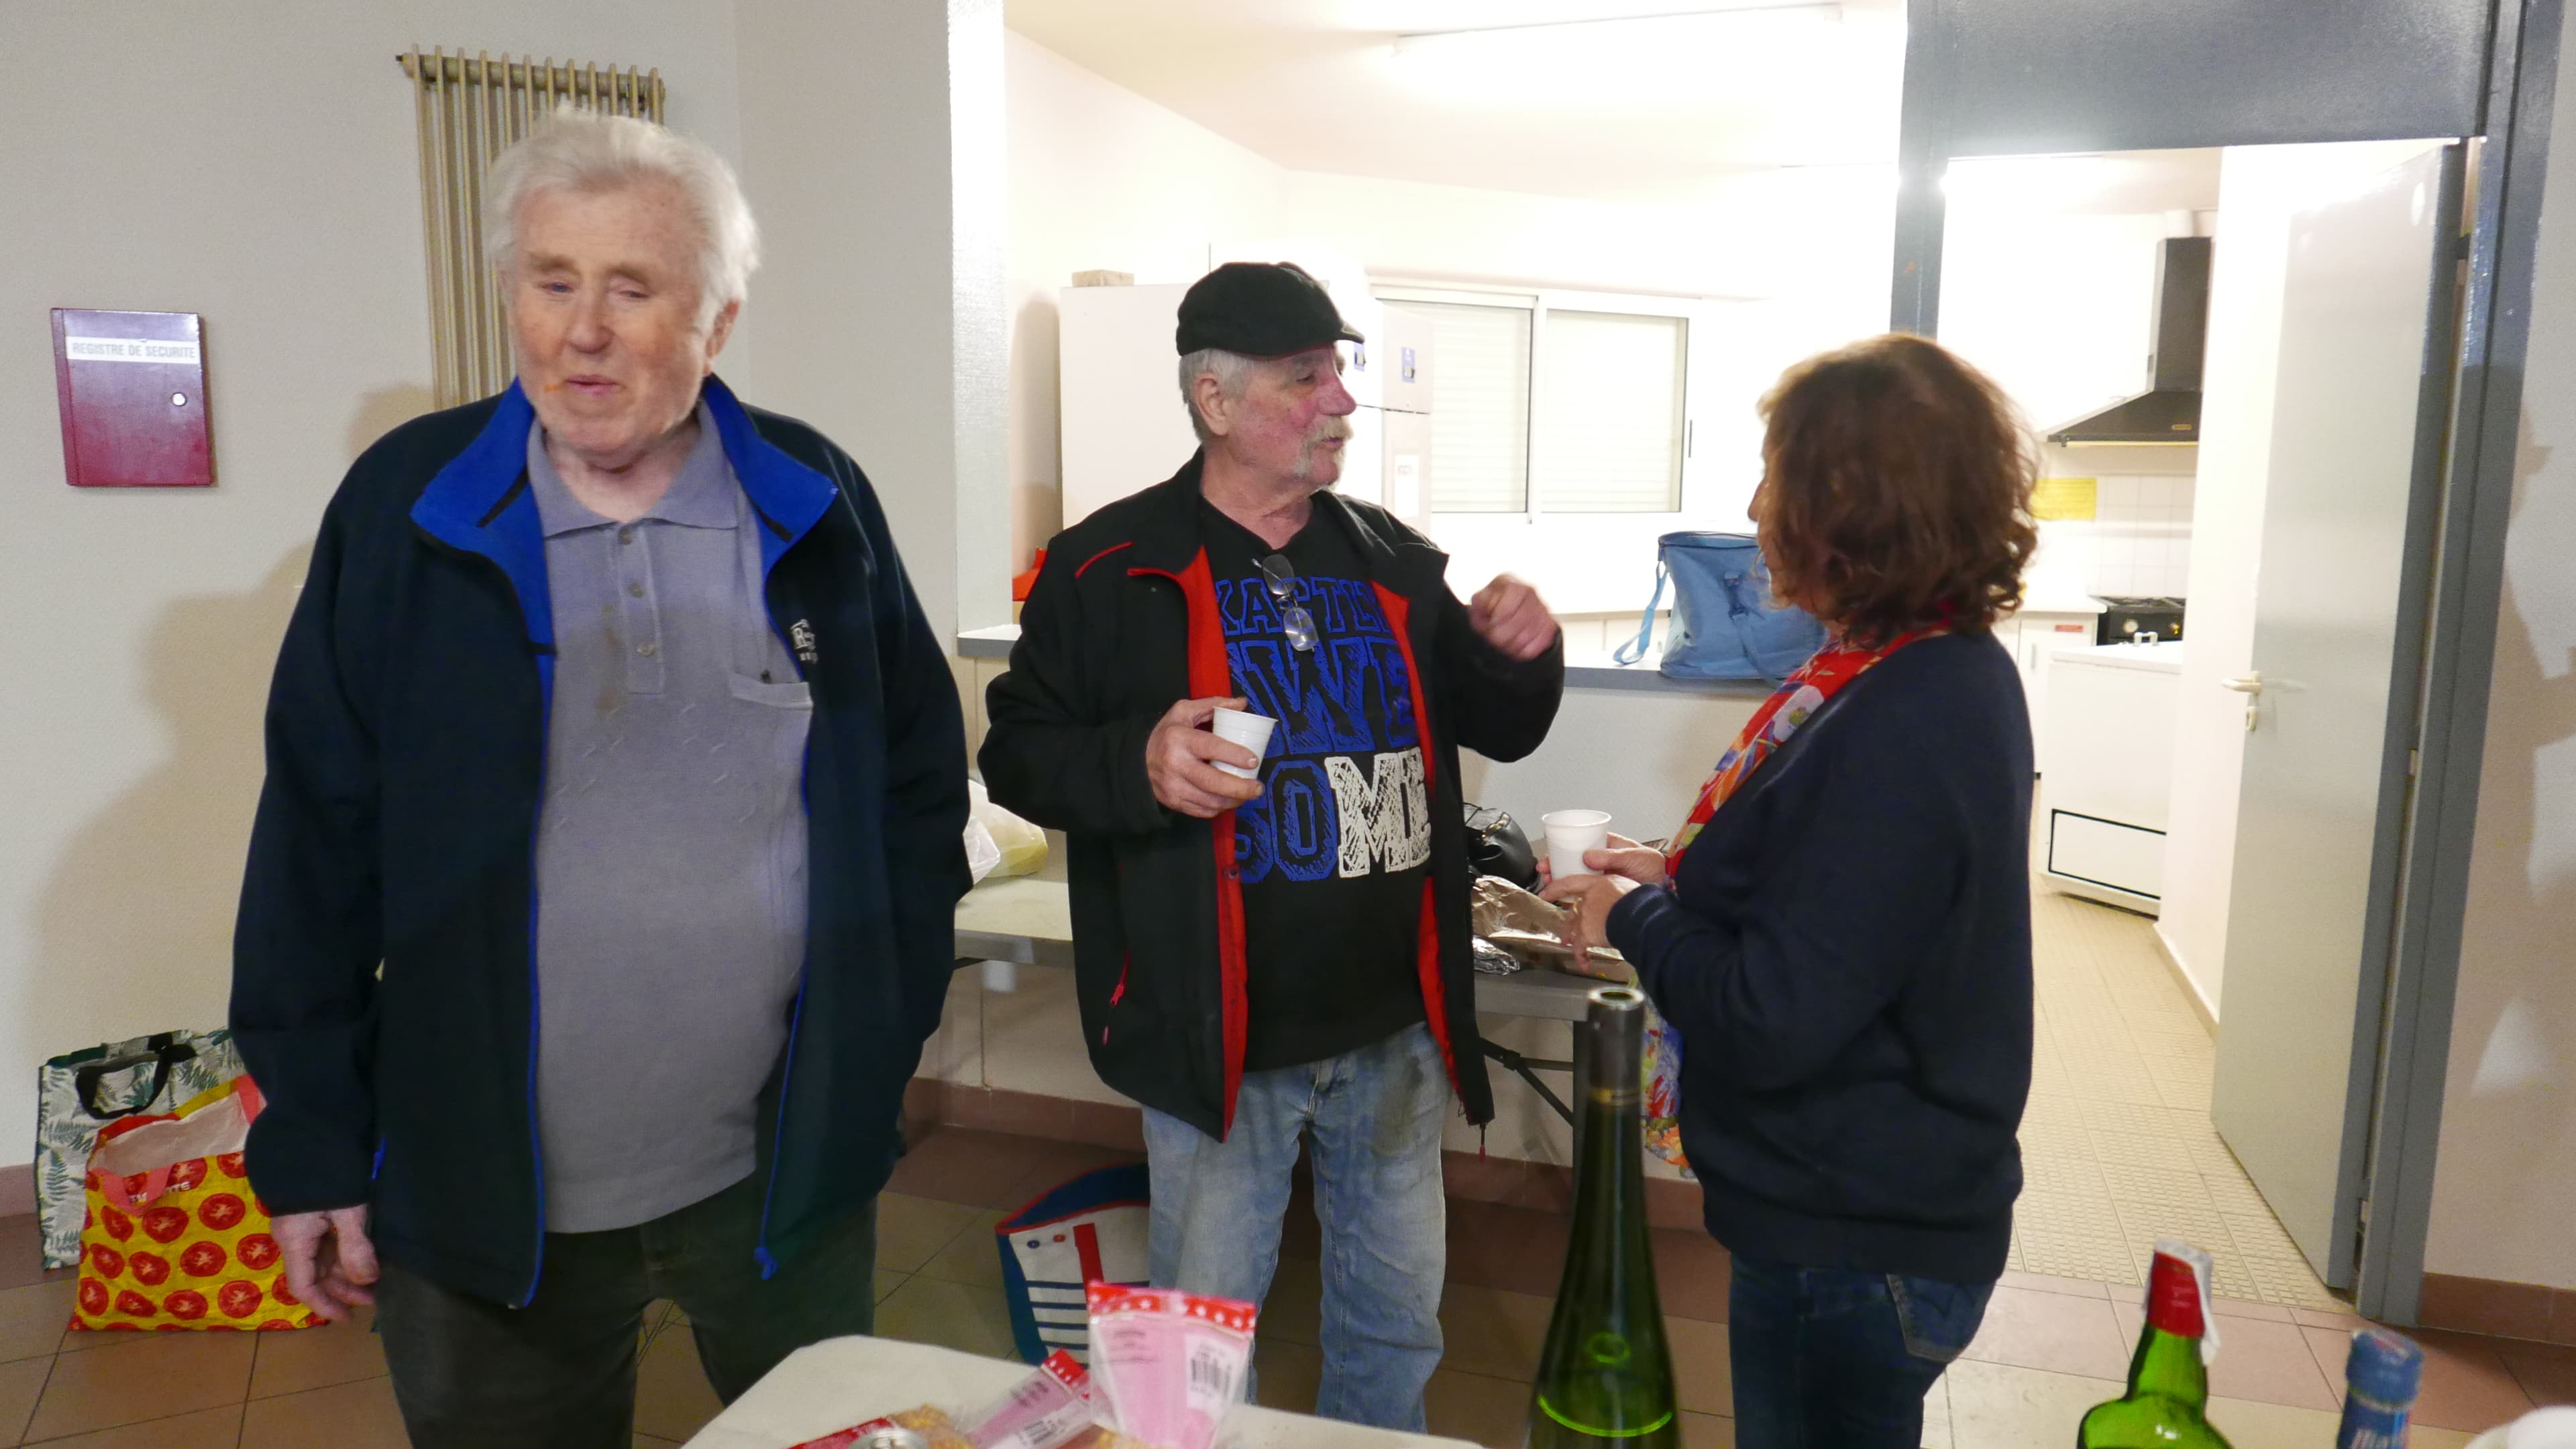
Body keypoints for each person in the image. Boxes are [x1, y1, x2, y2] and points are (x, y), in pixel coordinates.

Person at [229, 109, 969, 1449]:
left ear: (719, 318)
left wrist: (879, 1031)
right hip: (477, 1192)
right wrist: (314, 1143)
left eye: (632, 289)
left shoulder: (816, 498)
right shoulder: (407, 507)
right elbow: (314, 844)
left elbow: (917, 788)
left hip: (779, 1169)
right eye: (551, 280)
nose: (583, 329)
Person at [978, 262, 1565, 1430]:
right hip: (1218, 1041)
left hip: (1396, 1026)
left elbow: (1502, 726)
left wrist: (1518, 653)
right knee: (1197, 1327)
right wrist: (1138, 764)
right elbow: (1019, 756)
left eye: (1337, 372)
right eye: (1309, 377)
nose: (1342, 400)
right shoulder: (1104, 568)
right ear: (1216, 400)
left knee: (1397, 1314)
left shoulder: (1393, 559)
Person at [1545, 333, 2037, 1449]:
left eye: (1777, 475)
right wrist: (1672, 876)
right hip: (1864, 1207)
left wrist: (1632, 915)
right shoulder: (1909, 671)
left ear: (1846, 507)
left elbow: (1774, 1015)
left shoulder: (1909, 711)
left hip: (1859, 1236)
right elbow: (1850, 903)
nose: (1758, 505)